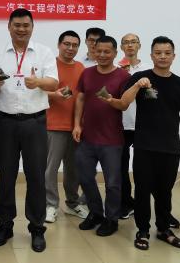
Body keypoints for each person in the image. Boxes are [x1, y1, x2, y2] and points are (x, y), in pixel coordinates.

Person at [107, 36, 180, 251]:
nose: (163, 56)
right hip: (144, 145)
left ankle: (164, 229)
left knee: (165, 191)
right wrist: (137, 85)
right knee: (143, 190)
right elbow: (124, 102)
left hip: (170, 147)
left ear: (173, 56)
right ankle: (143, 230)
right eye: (158, 53)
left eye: (167, 53)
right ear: (151, 55)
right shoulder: (140, 77)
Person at [0, 8, 59, 253]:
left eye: (26, 25)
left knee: (36, 176)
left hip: (34, 122)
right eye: (17, 25)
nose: (21, 29)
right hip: (6, 122)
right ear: (9, 27)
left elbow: (54, 83)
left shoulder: (44, 52)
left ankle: (37, 228)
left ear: (32, 27)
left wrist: (38, 82)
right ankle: (4, 225)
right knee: (6, 175)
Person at [72, 36, 129, 237]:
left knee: (113, 183)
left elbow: (124, 104)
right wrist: (77, 124)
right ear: (93, 51)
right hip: (87, 137)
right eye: (99, 51)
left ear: (115, 53)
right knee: (85, 178)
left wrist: (111, 100)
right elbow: (80, 98)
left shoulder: (123, 76)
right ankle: (96, 213)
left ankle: (111, 219)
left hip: (112, 140)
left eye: (107, 51)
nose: (102, 55)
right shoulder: (87, 73)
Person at [44, 31, 88, 223]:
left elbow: (82, 97)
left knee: (74, 169)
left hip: (76, 127)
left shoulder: (80, 67)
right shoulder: (49, 65)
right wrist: (55, 95)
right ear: (59, 44)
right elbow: (37, 92)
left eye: (75, 45)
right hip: (53, 124)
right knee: (50, 169)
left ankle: (72, 203)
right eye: (67, 44)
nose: (70, 48)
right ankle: (51, 205)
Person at [115, 32, 155, 222]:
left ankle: (146, 206)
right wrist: (123, 76)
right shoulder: (115, 69)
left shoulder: (149, 69)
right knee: (120, 167)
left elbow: (153, 97)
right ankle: (125, 203)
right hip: (120, 124)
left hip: (143, 125)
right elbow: (113, 96)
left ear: (139, 45)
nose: (130, 45)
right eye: (126, 42)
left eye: (133, 42)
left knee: (144, 169)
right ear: (121, 47)